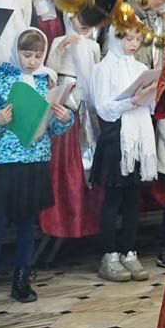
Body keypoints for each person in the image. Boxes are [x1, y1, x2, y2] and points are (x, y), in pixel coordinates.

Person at [0, 28, 72, 307]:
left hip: (35, 159)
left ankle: (22, 279)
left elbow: (52, 128)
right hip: (5, 160)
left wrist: (63, 118)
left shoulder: (47, 79)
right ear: (17, 52)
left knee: (28, 222)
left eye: (38, 55)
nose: (32, 61)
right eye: (27, 55)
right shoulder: (0, 77)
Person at [88, 29, 160, 283]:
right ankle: (109, 256)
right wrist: (133, 101)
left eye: (139, 39)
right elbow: (103, 109)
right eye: (129, 39)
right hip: (115, 138)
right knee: (113, 199)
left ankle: (129, 252)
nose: (134, 44)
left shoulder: (141, 67)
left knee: (132, 199)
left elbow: (152, 107)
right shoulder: (102, 69)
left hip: (138, 138)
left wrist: (152, 93)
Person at [41, 12, 104, 242]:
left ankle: (86, 220)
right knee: (65, 162)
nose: (84, 23)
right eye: (79, 18)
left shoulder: (94, 46)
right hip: (65, 103)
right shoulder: (59, 40)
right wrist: (60, 48)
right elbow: (50, 71)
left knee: (88, 159)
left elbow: (97, 73)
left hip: (86, 106)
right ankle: (61, 219)